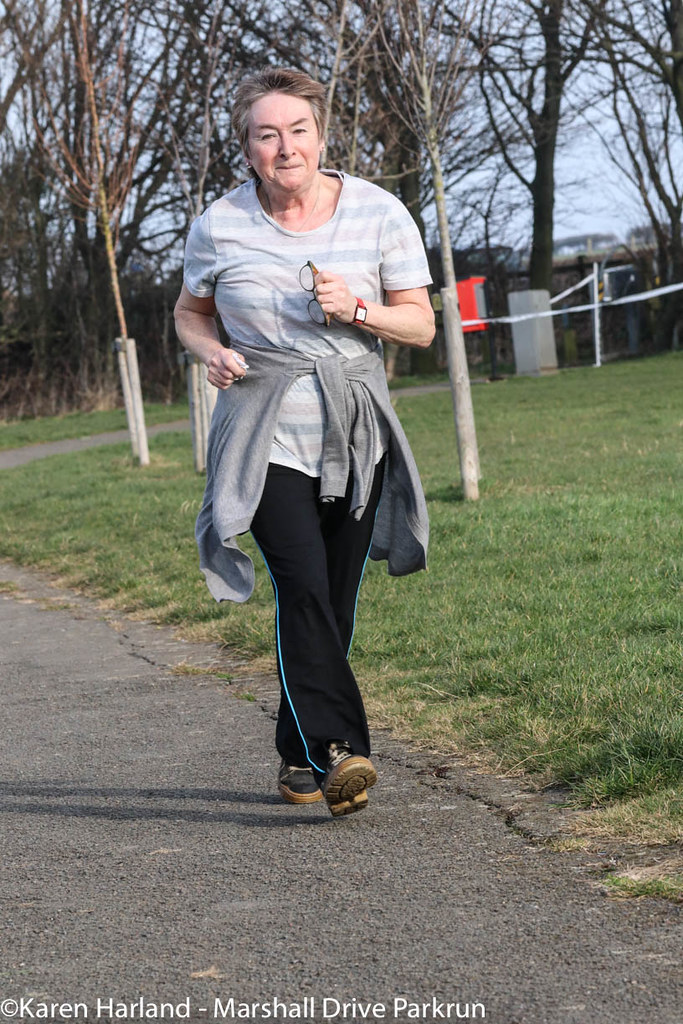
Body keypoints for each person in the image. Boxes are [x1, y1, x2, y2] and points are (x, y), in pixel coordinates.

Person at [174, 66, 435, 817]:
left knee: (334, 602)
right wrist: (209, 351)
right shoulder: (219, 224)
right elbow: (189, 314)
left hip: (354, 431)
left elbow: (418, 325)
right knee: (301, 584)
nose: (284, 147)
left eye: (297, 130)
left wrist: (357, 307)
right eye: (266, 134)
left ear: (321, 136)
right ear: (247, 148)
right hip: (262, 434)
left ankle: (296, 752)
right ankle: (341, 751)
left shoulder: (379, 212)